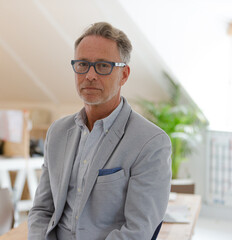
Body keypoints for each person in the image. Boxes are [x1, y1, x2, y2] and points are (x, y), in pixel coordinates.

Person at [28, 22, 172, 240]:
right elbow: (41, 210)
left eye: (103, 66)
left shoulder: (151, 142)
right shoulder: (57, 132)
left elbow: (138, 231)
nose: (90, 75)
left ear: (124, 74)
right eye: (82, 64)